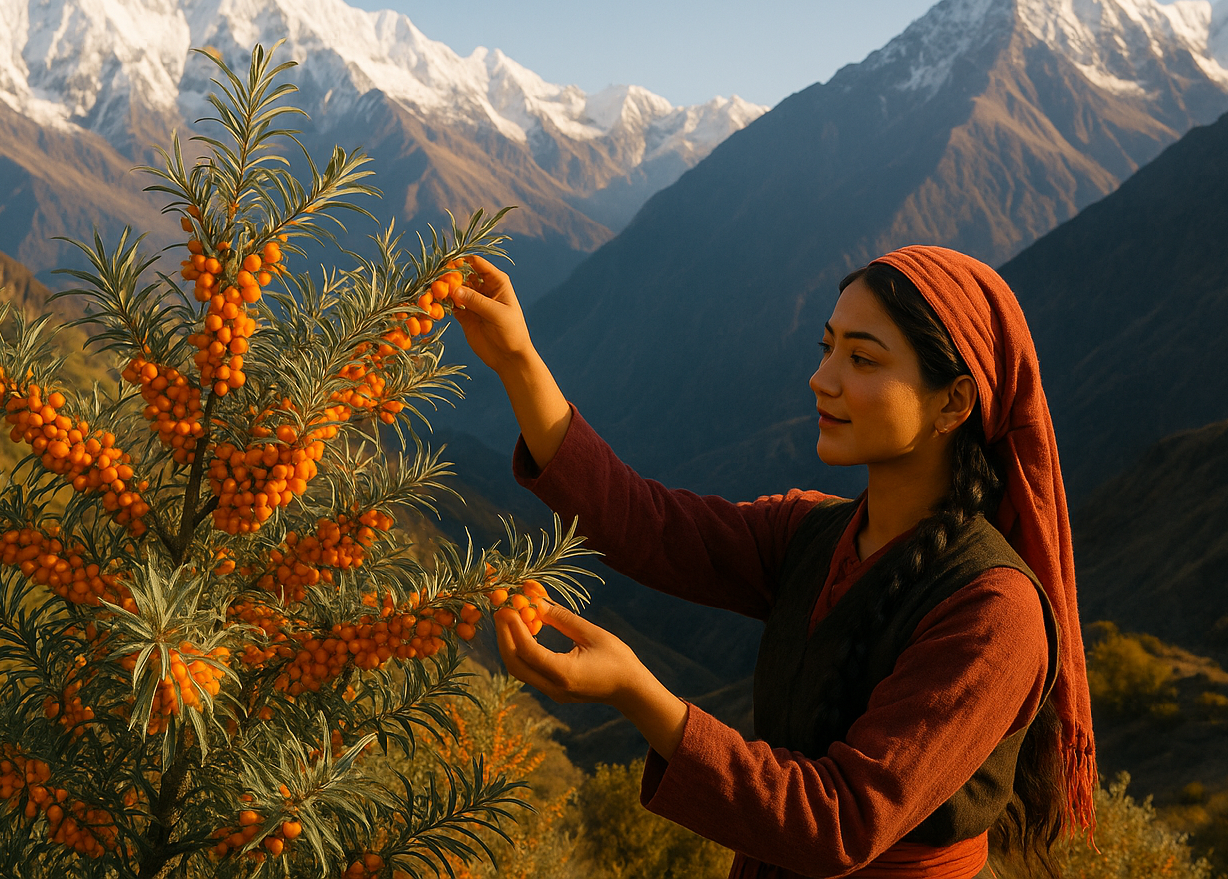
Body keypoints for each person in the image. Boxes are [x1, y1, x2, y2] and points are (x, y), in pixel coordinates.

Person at [449, 246, 1095, 879]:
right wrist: (516, 360)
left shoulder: (993, 612)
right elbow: (644, 523)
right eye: (828, 348)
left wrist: (637, 695)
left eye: (862, 358)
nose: (823, 379)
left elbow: (841, 824)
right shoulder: (811, 533)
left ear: (954, 402)